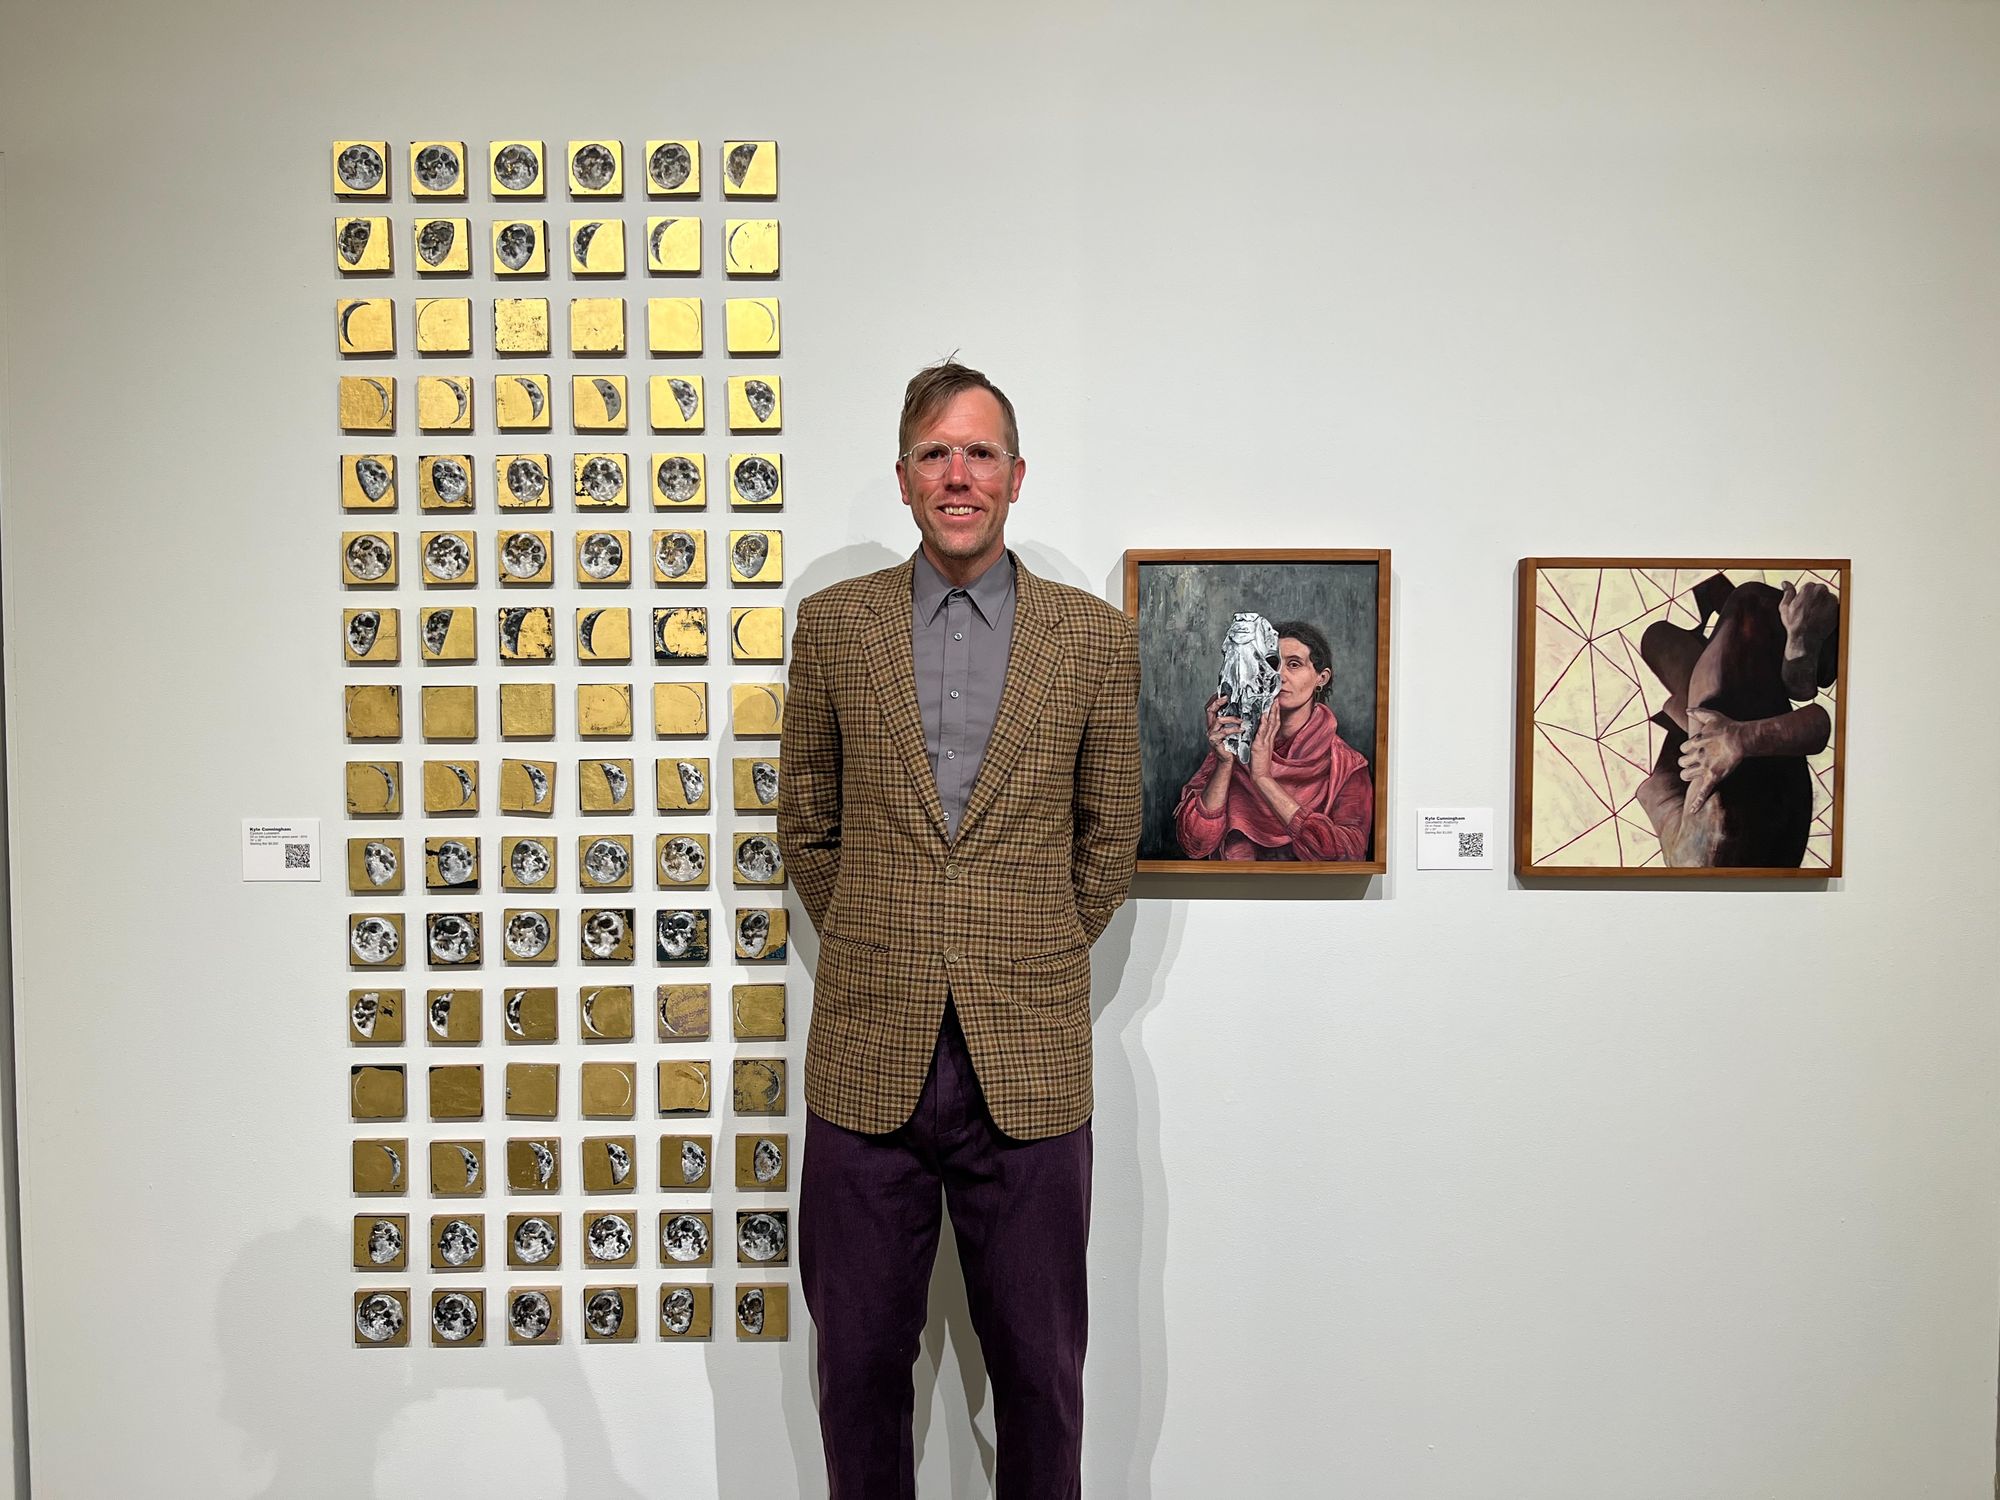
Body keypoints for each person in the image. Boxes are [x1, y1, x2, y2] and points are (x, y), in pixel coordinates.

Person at [778, 359, 1142, 1499]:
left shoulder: (1090, 639)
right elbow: (805, 821)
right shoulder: (832, 627)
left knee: (1040, 1381)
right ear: (901, 477)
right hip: (864, 1063)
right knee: (857, 1380)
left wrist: (1021, 948)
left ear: (1016, 476)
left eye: (979, 453)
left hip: (1027, 1064)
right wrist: (890, 939)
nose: (957, 475)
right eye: (935, 452)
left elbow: (1108, 838)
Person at [1635, 572, 1840, 866]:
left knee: (1659, 639)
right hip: (1743, 808)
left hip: (1720, 823)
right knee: (1743, 607)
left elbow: (1655, 790)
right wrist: (1740, 738)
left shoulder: (1686, 843)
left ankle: (1800, 653)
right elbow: (1818, 723)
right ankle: (1802, 654)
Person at [1173, 620, 1374, 860]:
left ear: (1321, 677)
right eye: (1271, 664)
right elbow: (1196, 844)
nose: (1279, 676)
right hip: (1234, 892)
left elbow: (1348, 855)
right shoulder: (1237, 743)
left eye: (1294, 664)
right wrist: (1225, 763)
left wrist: (1263, 778)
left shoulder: (1346, 765)